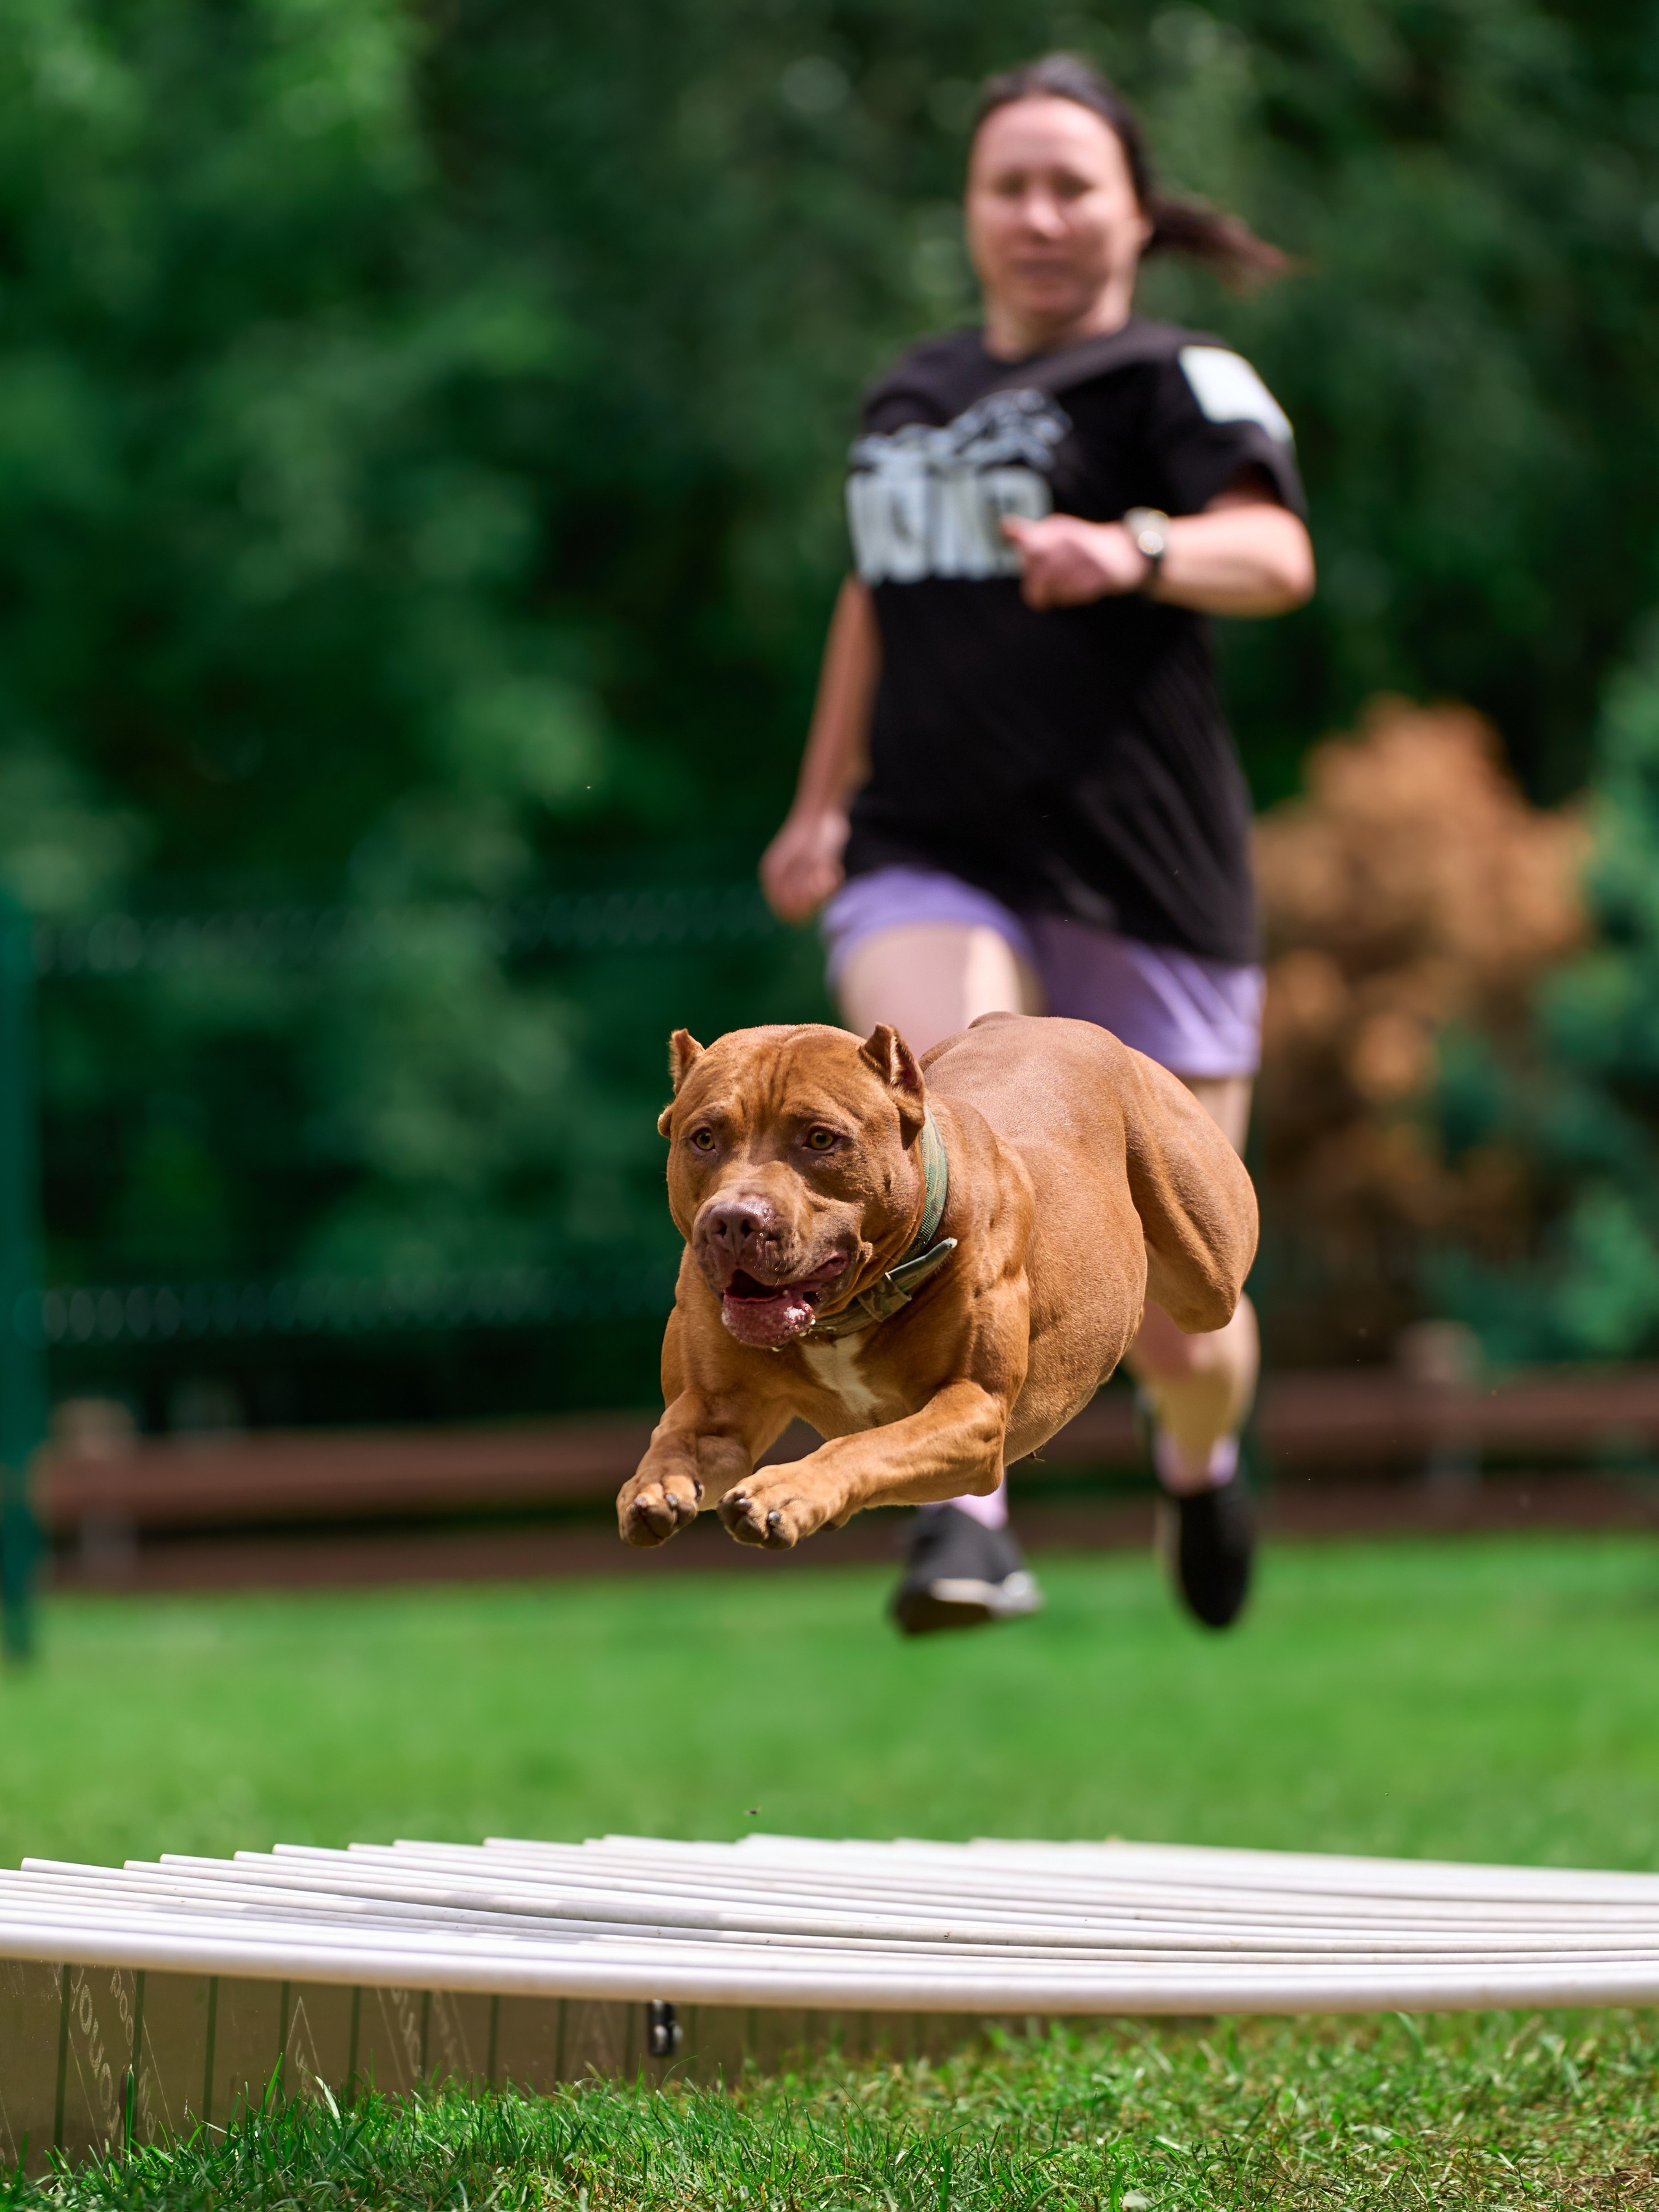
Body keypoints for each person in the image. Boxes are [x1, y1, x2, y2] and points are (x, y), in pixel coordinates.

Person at [760, 52, 1314, 1637]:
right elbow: (872, 595)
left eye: (1073, 183)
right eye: (1009, 183)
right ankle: (961, 1522)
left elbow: (1275, 552)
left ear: (1136, 213)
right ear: (968, 212)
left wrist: (1128, 546)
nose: (1039, 213)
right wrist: (820, 801)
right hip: (930, 844)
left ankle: (1198, 1469)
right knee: (926, 1082)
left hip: (1145, 878)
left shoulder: (1173, 381)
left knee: (1191, 1313)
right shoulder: (907, 398)